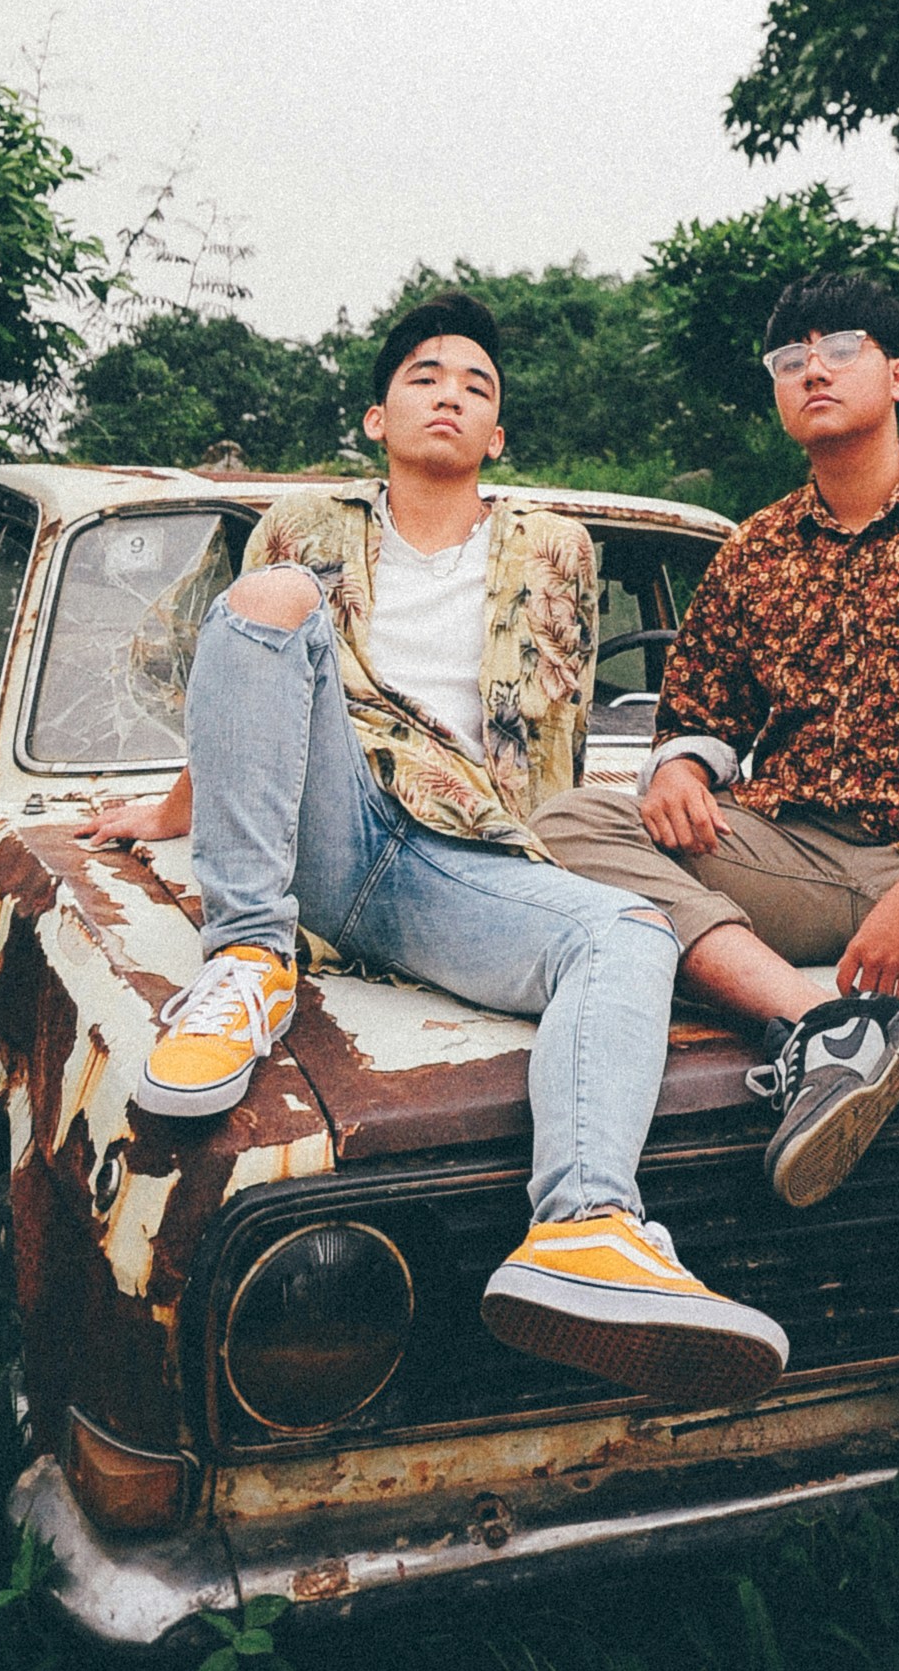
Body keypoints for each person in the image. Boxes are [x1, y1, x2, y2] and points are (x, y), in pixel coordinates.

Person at [533, 270, 899, 1646]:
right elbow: (703, 715)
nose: (810, 368)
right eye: (786, 353)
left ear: (898, 377)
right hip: (793, 853)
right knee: (569, 819)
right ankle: (815, 1028)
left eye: (839, 347)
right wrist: (681, 768)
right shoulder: (754, 553)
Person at [83, 293, 787, 1415]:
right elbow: (239, 676)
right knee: (268, 596)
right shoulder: (300, 526)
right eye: (423, 374)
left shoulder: (556, 545)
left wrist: (565, 856)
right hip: (324, 821)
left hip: (460, 856)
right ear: (375, 415)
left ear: (498, 434)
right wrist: (177, 810)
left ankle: (586, 1224)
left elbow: (556, 740)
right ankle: (249, 957)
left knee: (626, 930)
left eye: (477, 383)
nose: (451, 390)